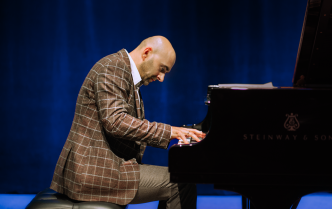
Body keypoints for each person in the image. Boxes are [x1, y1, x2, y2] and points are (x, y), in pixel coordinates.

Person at [50, 36, 205, 209]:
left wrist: (170, 133)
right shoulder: (113, 67)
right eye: (162, 69)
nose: (161, 78)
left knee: (179, 178)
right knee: (179, 183)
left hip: (106, 166)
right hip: (94, 172)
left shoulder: (124, 72)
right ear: (147, 53)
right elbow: (115, 122)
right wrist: (169, 132)